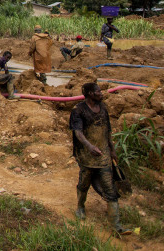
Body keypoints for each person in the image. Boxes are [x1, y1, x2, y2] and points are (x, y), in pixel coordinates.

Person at [70, 82, 132, 235]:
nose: (101, 93)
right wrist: (89, 147)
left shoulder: (103, 108)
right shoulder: (78, 110)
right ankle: (80, 207)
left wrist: (112, 149)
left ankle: (116, 227)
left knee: (110, 189)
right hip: (86, 156)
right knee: (84, 183)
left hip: (103, 156)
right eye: (98, 91)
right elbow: (78, 132)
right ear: (90, 93)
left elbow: (107, 130)